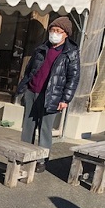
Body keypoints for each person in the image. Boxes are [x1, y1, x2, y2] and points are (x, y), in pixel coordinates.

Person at [17, 16, 80, 173]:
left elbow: (73, 78)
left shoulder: (70, 53)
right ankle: (25, 154)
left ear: (66, 34)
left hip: (52, 95)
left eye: (58, 31)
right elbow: (30, 68)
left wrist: (66, 99)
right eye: (52, 30)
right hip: (33, 91)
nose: (54, 33)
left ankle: (41, 160)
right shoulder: (41, 48)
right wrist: (24, 87)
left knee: (45, 129)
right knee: (28, 126)